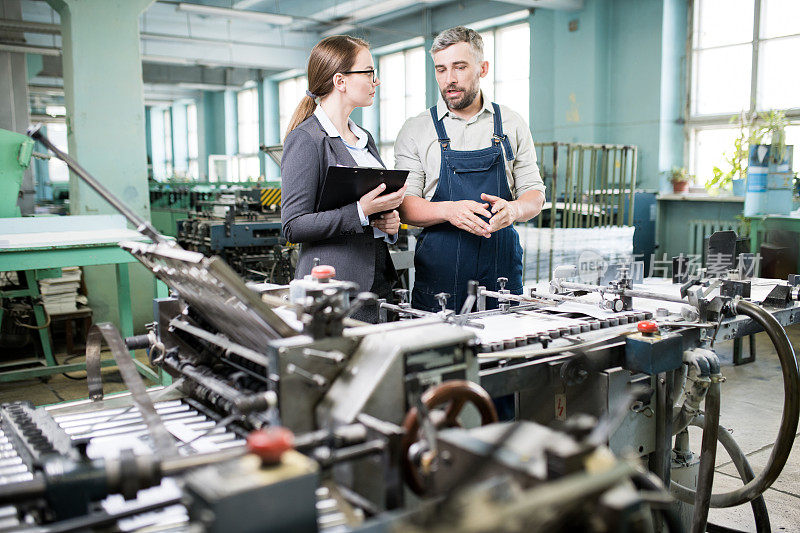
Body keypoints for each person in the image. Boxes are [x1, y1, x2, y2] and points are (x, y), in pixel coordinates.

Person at [395, 26, 545, 313]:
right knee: (440, 355)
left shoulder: (511, 123)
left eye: (459, 67)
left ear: (483, 68)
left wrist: (513, 210)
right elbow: (405, 206)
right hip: (439, 273)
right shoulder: (416, 129)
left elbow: (534, 194)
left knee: (508, 351)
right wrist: (449, 211)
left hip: (501, 269)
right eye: (441, 69)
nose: (449, 79)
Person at [281, 35, 407, 322]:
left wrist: (388, 223)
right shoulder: (307, 139)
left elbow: (373, 212)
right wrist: (362, 211)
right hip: (335, 293)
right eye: (369, 72)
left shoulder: (363, 138)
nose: (376, 81)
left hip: (378, 283)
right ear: (340, 81)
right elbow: (293, 225)